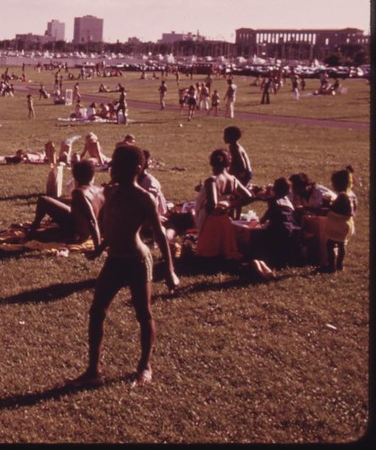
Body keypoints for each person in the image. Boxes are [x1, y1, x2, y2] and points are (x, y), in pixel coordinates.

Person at [67, 145, 178, 390]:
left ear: (136, 169)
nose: (112, 168)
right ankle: (93, 370)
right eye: (113, 163)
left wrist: (169, 270)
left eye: (118, 165)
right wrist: (99, 249)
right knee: (97, 312)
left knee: (143, 313)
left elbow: (159, 235)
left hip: (137, 261)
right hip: (114, 260)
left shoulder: (143, 197)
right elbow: (114, 226)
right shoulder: (113, 193)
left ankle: (144, 366)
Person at [29, 159, 104, 244]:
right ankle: (35, 225)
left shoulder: (80, 193)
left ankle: (34, 228)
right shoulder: (100, 190)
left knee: (33, 234)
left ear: (75, 178)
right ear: (93, 175)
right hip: (76, 224)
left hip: (76, 234)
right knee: (43, 200)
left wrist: (97, 248)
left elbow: (92, 221)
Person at [194, 149, 254, 231]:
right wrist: (230, 204)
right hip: (225, 219)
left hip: (208, 221)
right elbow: (249, 197)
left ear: (211, 163)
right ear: (228, 163)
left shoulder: (212, 181)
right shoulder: (232, 180)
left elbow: (212, 205)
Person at [251, 177, 298, 278]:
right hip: (288, 227)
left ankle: (269, 262)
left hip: (277, 227)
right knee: (282, 246)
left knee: (272, 244)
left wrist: (261, 221)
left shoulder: (274, 201)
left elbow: (270, 213)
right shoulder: (287, 201)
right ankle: (282, 262)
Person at [324, 167, 357, 272]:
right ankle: (339, 265)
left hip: (338, 225)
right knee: (342, 244)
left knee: (330, 244)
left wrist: (328, 203)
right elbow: (353, 209)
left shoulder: (342, 196)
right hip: (347, 223)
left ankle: (331, 266)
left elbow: (334, 208)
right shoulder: (351, 195)